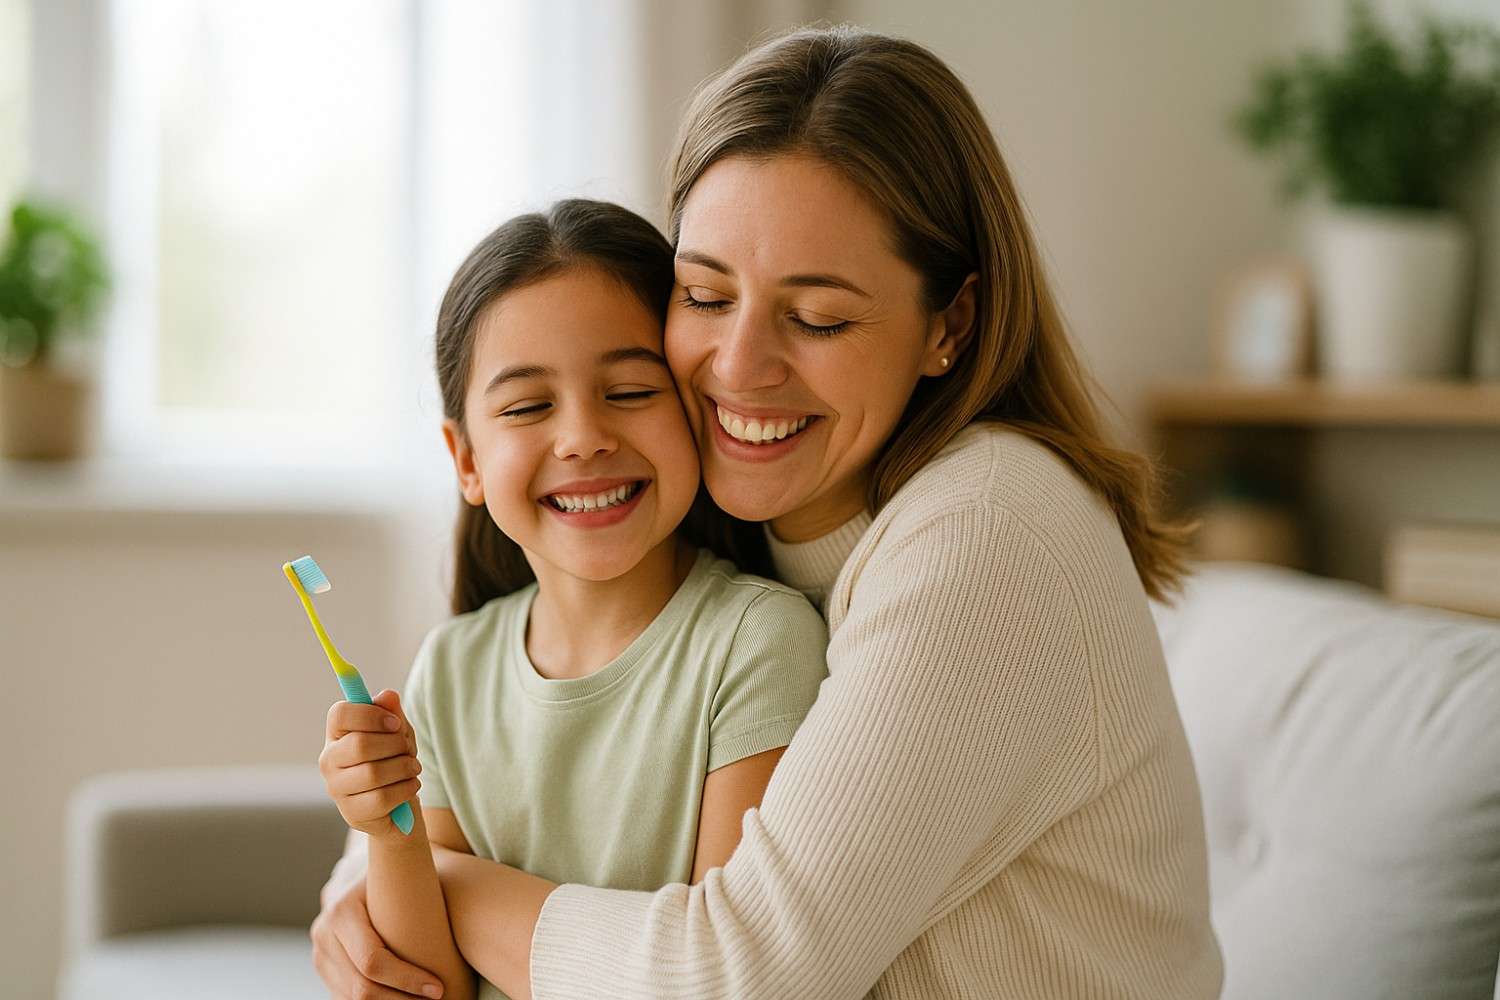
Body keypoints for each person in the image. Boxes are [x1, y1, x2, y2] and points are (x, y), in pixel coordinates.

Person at [313, 25, 1225, 1000]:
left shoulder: (989, 530)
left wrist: (430, 886)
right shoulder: (738, 508)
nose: (738, 367)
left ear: (948, 324)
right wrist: (358, 895)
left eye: (819, 316)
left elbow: (736, 976)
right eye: (705, 295)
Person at [315, 198, 828, 1000]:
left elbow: (720, 966)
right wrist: (388, 834)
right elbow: (431, 984)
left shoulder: (758, 642)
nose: (583, 436)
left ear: (698, 411)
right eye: (526, 407)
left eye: (629, 391)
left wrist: (447, 878)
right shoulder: (450, 668)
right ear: (467, 460)